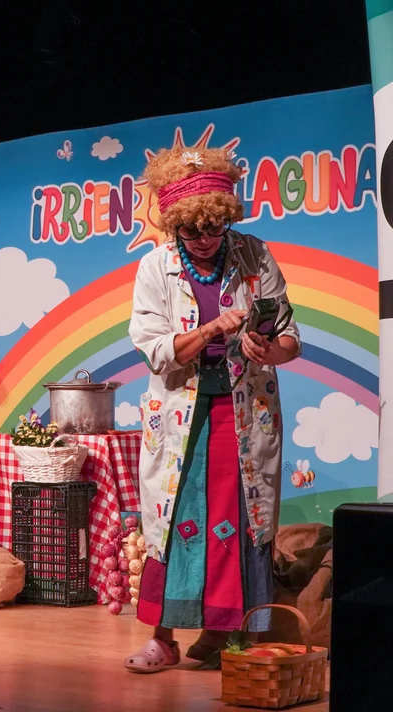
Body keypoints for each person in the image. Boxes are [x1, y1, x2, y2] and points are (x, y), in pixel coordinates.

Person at [124, 145, 301, 672]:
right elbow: (154, 349)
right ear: (175, 224)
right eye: (192, 230)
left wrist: (267, 350)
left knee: (239, 517)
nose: (204, 239)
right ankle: (163, 638)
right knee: (174, 515)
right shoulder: (155, 267)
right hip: (182, 411)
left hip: (242, 411)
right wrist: (209, 330)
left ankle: (225, 635)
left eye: (214, 228)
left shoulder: (254, 255)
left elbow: (289, 337)